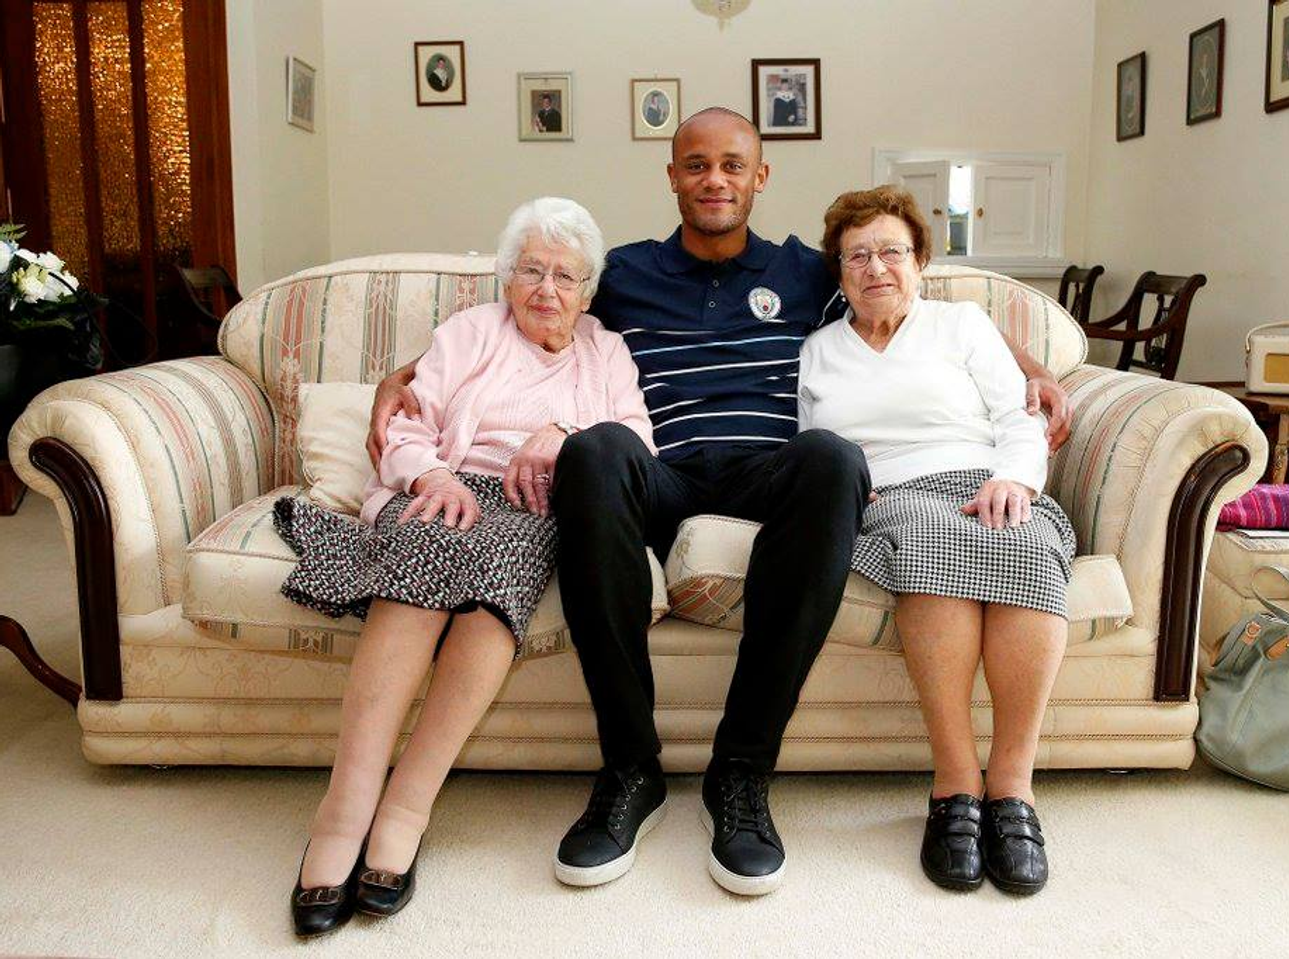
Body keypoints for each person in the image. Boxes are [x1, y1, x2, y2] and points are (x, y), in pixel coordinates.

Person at [367, 108, 1073, 896]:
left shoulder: (806, 271)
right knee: (594, 448)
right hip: (660, 472)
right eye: (697, 164)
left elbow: (906, 306)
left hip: (766, 474)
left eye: (732, 165)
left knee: (834, 458)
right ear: (672, 176)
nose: (715, 180)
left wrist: (1035, 367)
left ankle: (740, 771)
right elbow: (526, 312)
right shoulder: (624, 272)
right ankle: (629, 769)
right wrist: (403, 377)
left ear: (759, 177)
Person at [280, 197, 653, 936]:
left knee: (496, 577)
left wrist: (565, 433)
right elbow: (406, 424)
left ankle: (406, 807)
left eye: (566, 276)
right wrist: (432, 475)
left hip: (534, 509)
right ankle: (344, 811)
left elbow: (636, 440)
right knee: (429, 540)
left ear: (588, 292)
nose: (547, 289)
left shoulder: (606, 351)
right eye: (531, 271)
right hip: (446, 485)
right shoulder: (471, 332)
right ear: (507, 278)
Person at [799, 185, 1075, 895]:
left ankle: (1012, 788)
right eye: (856, 255)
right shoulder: (818, 351)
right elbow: (809, 447)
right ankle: (954, 783)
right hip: (889, 495)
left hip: (985, 477)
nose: (875, 267)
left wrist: (1016, 479)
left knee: (1025, 540)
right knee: (928, 538)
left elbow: (1016, 416)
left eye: (891, 251)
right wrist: (846, 492)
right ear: (839, 273)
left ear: (920, 261)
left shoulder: (963, 326)